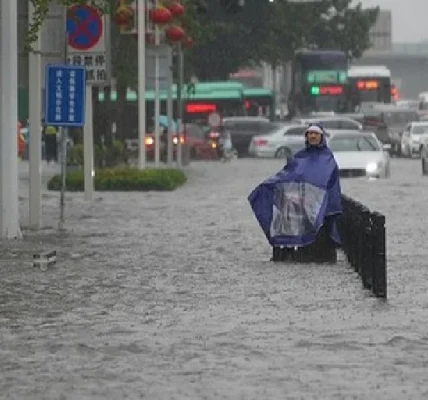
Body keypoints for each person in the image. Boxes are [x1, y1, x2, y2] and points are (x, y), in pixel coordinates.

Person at [248, 124, 342, 260]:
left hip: (320, 209)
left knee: (319, 243)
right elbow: (288, 175)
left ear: (321, 137)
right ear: (306, 136)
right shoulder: (299, 157)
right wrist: (269, 184)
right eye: (310, 134)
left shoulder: (328, 158)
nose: (313, 136)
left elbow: (329, 182)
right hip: (299, 208)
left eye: (316, 134)